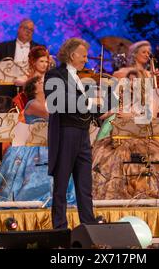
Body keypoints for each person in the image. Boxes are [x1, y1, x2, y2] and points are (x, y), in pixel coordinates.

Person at [44, 37, 102, 229]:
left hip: (83, 134)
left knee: (85, 185)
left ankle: (89, 225)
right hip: (65, 132)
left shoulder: (80, 78)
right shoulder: (54, 75)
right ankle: (60, 227)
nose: (86, 60)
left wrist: (103, 108)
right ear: (72, 55)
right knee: (61, 185)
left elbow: (88, 110)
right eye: (83, 55)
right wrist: (90, 103)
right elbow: (58, 103)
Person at [92, 69, 159, 200]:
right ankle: (112, 195)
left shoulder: (149, 100)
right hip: (121, 139)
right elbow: (103, 115)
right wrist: (109, 109)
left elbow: (150, 119)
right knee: (105, 156)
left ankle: (143, 192)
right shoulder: (123, 99)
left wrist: (131, 115)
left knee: (145, 157)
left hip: (143, 139)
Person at [0, 76, 76, 204]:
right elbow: (53, 116)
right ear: (35, 89)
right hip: (33, 147)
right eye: (42, 82)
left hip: (50, 144)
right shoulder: (32, 104)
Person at [0, 19, 42, 97]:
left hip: (30, 86)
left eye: (31, 30)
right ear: (19, 29)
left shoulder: (39, 48)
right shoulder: (3, 47)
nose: (28, 31)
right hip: (7, 85)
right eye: (26, 28)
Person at [12, 46, 52, 121]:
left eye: (46, 62)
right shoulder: (29, 77)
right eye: (41, 61)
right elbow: (16, 81)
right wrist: (32, 82)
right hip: (34, 109)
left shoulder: (50, 77)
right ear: (34, 62)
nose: (44, 65)